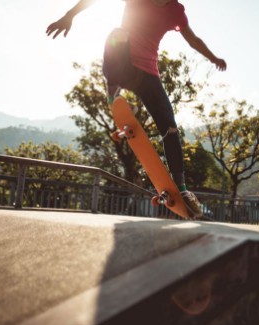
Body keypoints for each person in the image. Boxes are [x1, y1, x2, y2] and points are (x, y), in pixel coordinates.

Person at [47, 0, 227, 216]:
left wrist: (213, 57)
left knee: (170, 128)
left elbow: (193, 40)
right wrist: (70, 15)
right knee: (118, 33)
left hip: (148, 75)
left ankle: (182, 189)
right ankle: (113, 87)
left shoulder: (176, 11)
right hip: (122, 65)